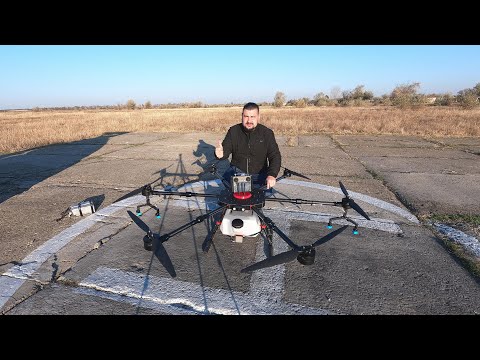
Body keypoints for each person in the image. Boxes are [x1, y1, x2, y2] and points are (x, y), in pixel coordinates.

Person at [214, 102, 281, 189]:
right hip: (236, 173)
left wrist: (272, 175)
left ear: (258, 117)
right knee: (231, 199)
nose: (249, 121)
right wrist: (220, 154)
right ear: (242, 116)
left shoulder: (267, 133)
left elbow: (275, 156)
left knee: (260, 197)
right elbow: (225, 150)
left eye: (252, 117)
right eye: (246, 116)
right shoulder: (233, 131)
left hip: (259, 174)